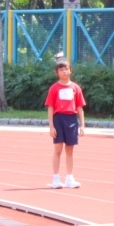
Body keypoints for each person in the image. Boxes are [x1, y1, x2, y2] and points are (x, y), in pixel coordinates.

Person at [46, 57, 86, 189]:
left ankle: (69, 178)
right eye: (61, 69)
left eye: (66, 69)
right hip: (58, 119)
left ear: (70, 70)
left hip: (71, 119)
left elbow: (79, 107)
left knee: (70, 150)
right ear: (56, 72)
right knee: (58, 149)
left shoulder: (76, 88)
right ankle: (56, 178)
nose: (64, 71)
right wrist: (51, 126)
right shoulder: (54, 88)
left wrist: (82, 125)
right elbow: (50, 107)